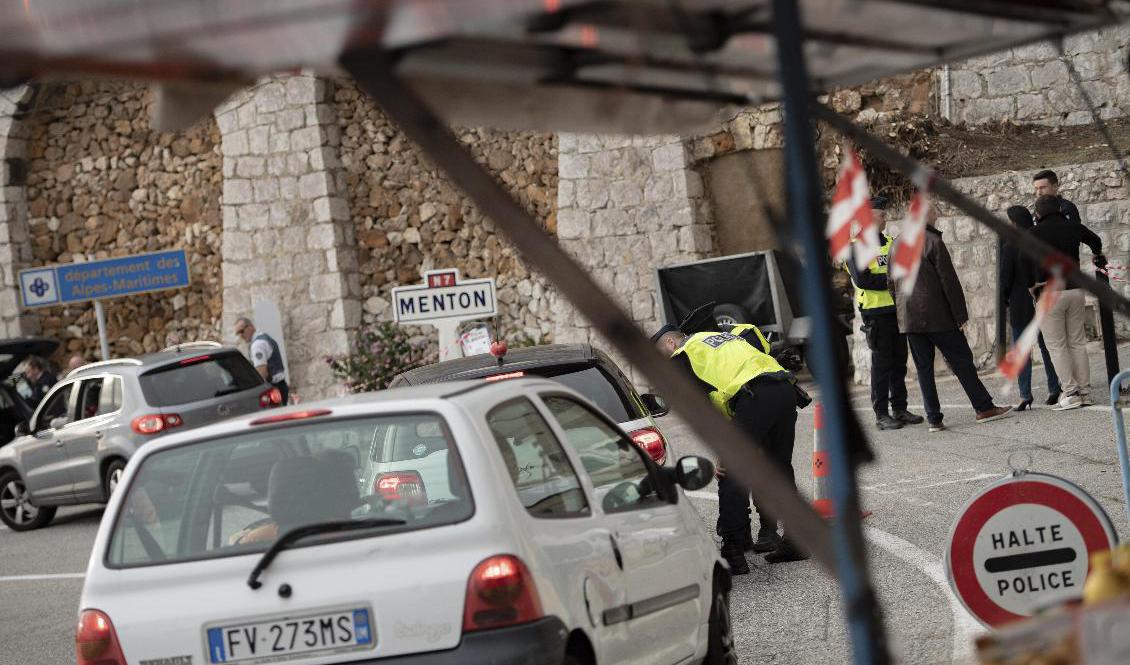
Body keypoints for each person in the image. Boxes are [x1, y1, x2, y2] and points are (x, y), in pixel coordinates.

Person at [651, 321, 808, 573]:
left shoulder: (683, 355)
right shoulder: (715, 337)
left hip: (754, 395)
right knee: (779, 466)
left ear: (670, 342)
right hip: (783, 388)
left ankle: (733, 552)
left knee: (730, 472)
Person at [888, 204, 1012, 431]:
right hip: (938, 316)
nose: (936, 214)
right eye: (933, 211)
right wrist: (960, 315)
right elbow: (949, 281)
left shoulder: (896, 244)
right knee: (962, 361)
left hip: (910, 319)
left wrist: (903, 312)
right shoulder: (933, 241)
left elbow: (891, 284)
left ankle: (934, 419)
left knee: (924, 369)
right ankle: (983, 407)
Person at [844, 196, 923, 431]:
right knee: (882, 364)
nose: (885, 218)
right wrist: (894, 279)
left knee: (899, 361)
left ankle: (899, 408)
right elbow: (864, 280)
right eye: (881, 214)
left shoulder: (890, 242)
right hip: (875, 313)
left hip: (897, 310)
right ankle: (881, 414)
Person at [1028, 195, 1105, 410]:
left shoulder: (1034, 232)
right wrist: (1097, 254)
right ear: (1059, 209)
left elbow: (1024, 260)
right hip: (1075, 290)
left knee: (1057, 346)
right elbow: (1096, 240)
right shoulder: (1072, 226)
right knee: (1077, 342)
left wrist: (1031, 284)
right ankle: (1086, 392)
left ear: (1038, 213)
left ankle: (1070, 392)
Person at [1000, 206, 1061, 409]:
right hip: (1042, 299)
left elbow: (1005, 279)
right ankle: (1054, 388)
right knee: (1047, 347)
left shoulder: (1010, 246)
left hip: (1019, 304)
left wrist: (1004, 300)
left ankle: (1025, 395)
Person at [234, 317, 289, 405]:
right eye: (238, 333)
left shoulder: (257, 345)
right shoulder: (264, 337)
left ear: (250, 327)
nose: (241, 336)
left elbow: (262, 372)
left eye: (242, 331)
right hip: (280, 387)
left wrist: (255, 392)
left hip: (273, 388)